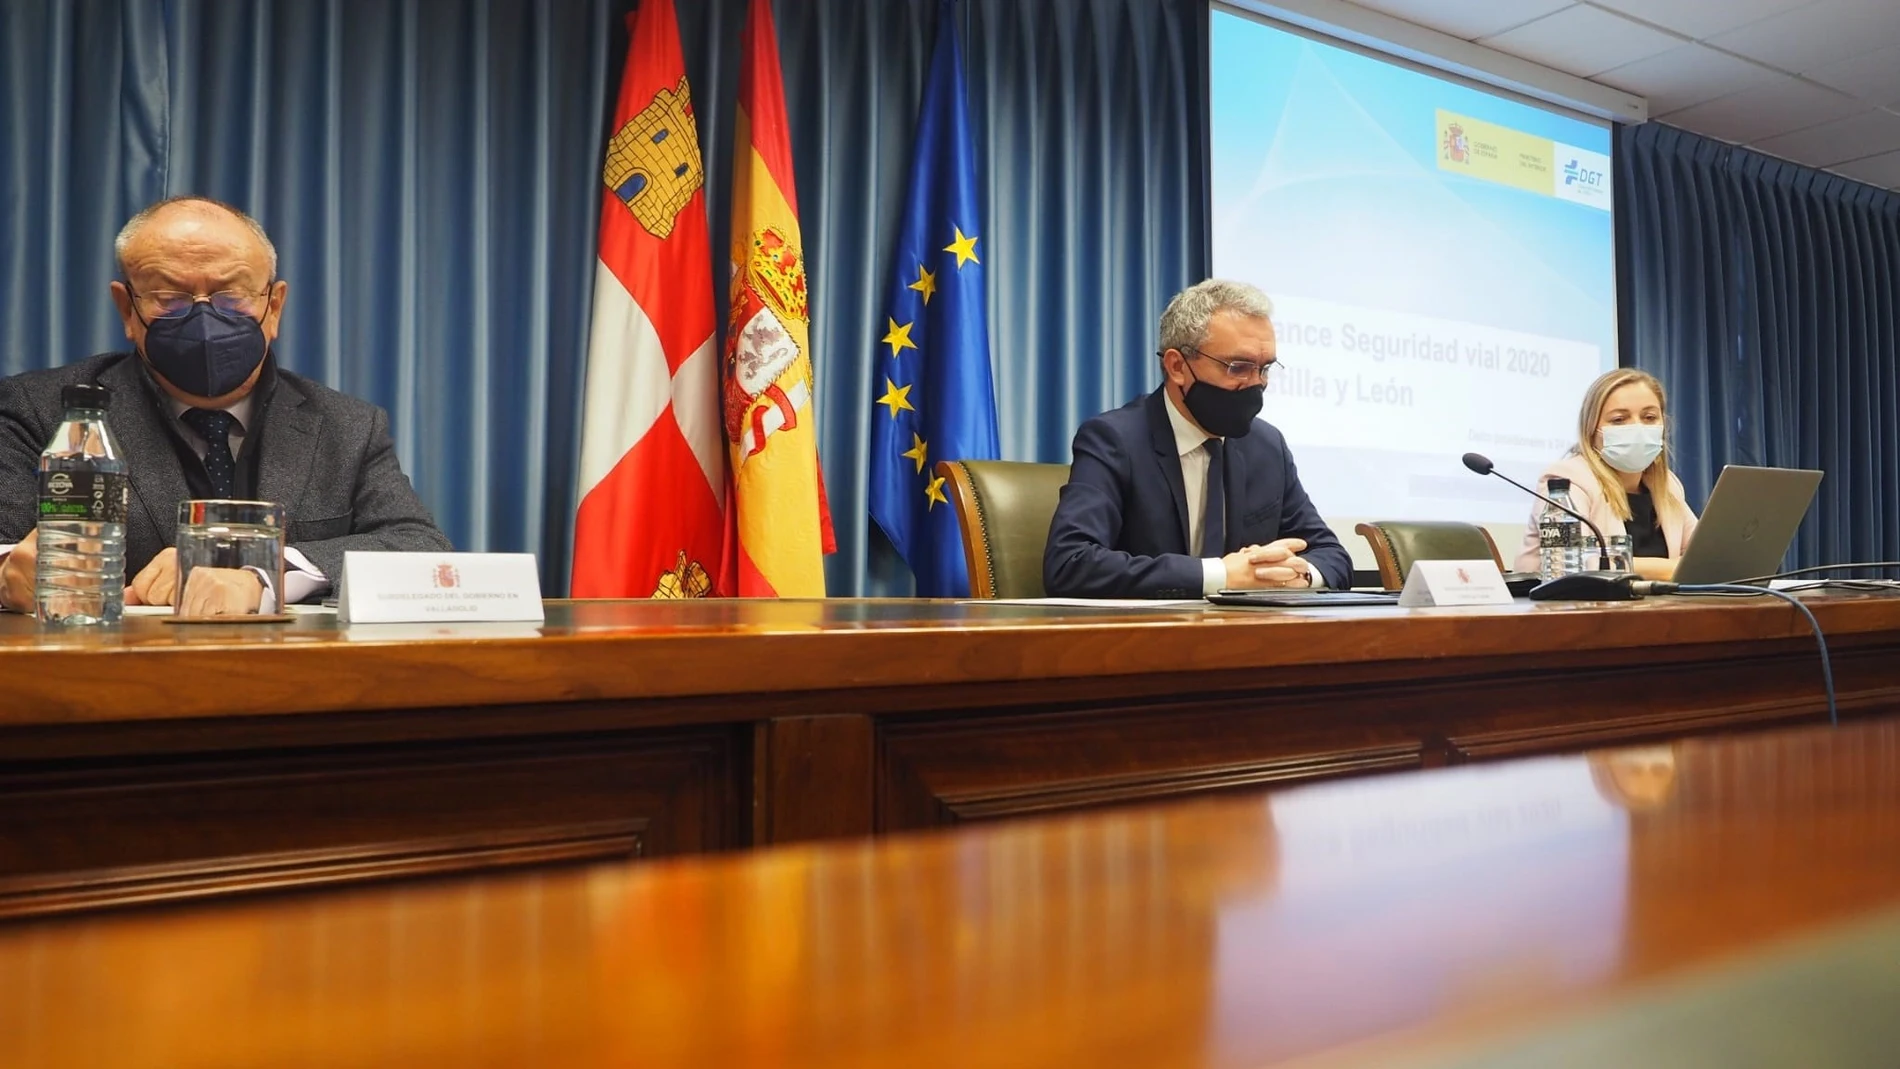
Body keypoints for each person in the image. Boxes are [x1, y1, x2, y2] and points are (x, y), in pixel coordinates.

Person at [0, 195, 451, 615]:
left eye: (231, 296)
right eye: (170, 297)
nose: (203, 318)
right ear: (126, 310)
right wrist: (9, 576)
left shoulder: (347, 425)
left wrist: (265, 572)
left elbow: (418, 546)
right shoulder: (40, 411)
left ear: (273, 307)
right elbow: (7, 551)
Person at [1044, 279, 1350, 598]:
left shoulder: (1266, 446)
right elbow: (1070, 563)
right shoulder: (1115, 440)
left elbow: (1332, 556)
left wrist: (1294, 575)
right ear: (1177, 366)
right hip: (1148, 640)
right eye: (1238, 367)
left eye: (1265, 369)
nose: (1256, 384)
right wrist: (1222, 574)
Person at [1512, 368, 1697, 581]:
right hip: (1568, 610)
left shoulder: (1667, 486)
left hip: (1655, 610)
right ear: (1591, 430)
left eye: (1649, 417)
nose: (1637, 427)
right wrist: (1672, 569)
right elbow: (1578, 562)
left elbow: (1704, 555)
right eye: (1619, 420)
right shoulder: (1565, 480)